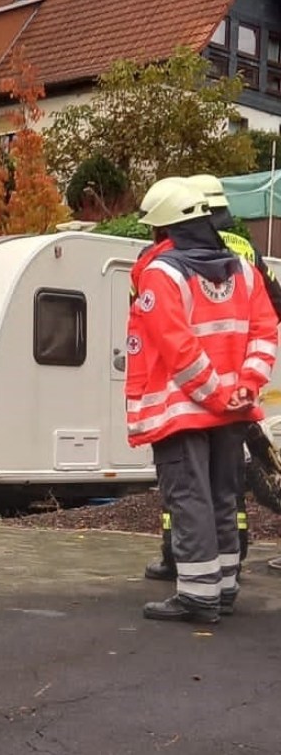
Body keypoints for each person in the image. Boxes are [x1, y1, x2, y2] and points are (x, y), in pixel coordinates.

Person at [128, 182, 277, 622]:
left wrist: (214, 394)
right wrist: (245, 387)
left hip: (184, 413)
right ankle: (224, 586)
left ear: (169, 229)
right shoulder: (245, 273)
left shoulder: (162, 274)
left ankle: (197, 595)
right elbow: (265, 335)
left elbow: (178, 348)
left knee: (189, 498)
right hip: (232, 412)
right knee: (223, 496)